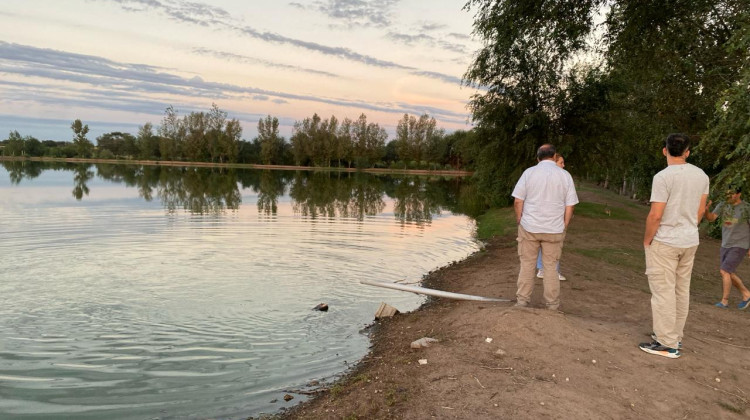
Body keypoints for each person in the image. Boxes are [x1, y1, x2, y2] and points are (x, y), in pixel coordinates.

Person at [639, 133, 709, 359]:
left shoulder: (663, 177)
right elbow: (700, 211)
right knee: (681, 290)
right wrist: (687, 228)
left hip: (666, 241)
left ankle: (667, 343)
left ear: (664, 150)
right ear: (687, 152)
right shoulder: (701, 176)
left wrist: (647, 239)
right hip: (689, 240)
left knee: (663, 291)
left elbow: (655, 214)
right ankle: (674, 336)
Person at [511, 144, 578, 310]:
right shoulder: (565, 176)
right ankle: (552, 305)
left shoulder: (529, 173)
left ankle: (522, 301)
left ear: (537, 157)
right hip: (554, 229)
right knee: (550, 267)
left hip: (530, 227)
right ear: (554, 156)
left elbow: (518, 200)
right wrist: (565, 224)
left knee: (527, 264)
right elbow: (570, 205)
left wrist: (520, 218)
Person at [703, 186, 750, 310]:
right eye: (728, 194)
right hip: (725, 243)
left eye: (733, 194)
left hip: (740, 244)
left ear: (739, 194)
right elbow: (712, 218)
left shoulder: (746, 208)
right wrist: (706, 211)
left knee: (724, 271)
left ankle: (724, 301)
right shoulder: (723, 205)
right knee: (728, 272)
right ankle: (746, 294)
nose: (730, 196)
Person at [537, 154, 567, 281]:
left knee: (544, 244)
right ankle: (552, 271)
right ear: (554, 163)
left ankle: (542, 269)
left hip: (549, 218)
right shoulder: (561, 178)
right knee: (554, 245)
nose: (564, 165)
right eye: (561, 163)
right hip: (552, 219)